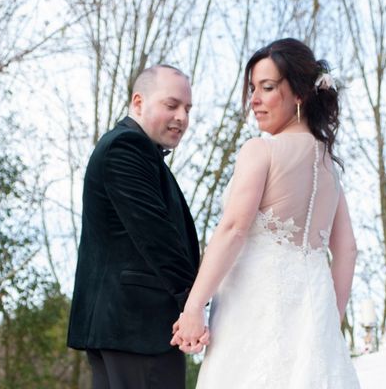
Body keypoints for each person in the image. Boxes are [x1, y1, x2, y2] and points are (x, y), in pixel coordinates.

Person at [171, 38, 361, 387]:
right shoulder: (329, 168)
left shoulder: (261, 151)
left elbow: (233, 229)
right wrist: (329, 324)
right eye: (252, 88)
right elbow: (347, 250)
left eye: (268, 88)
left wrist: (194, 307)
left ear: (300, 94)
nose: (255, 100)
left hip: (252, 315)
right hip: (313, 326)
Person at [68, 64, 208, 389]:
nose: (182, 118)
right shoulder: (126, 147)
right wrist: (192, 304)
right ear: (139, 103)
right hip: (136, 326)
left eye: (187, 109)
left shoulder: (139, 151)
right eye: (171, 105)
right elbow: (156, 236)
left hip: (125, 328)